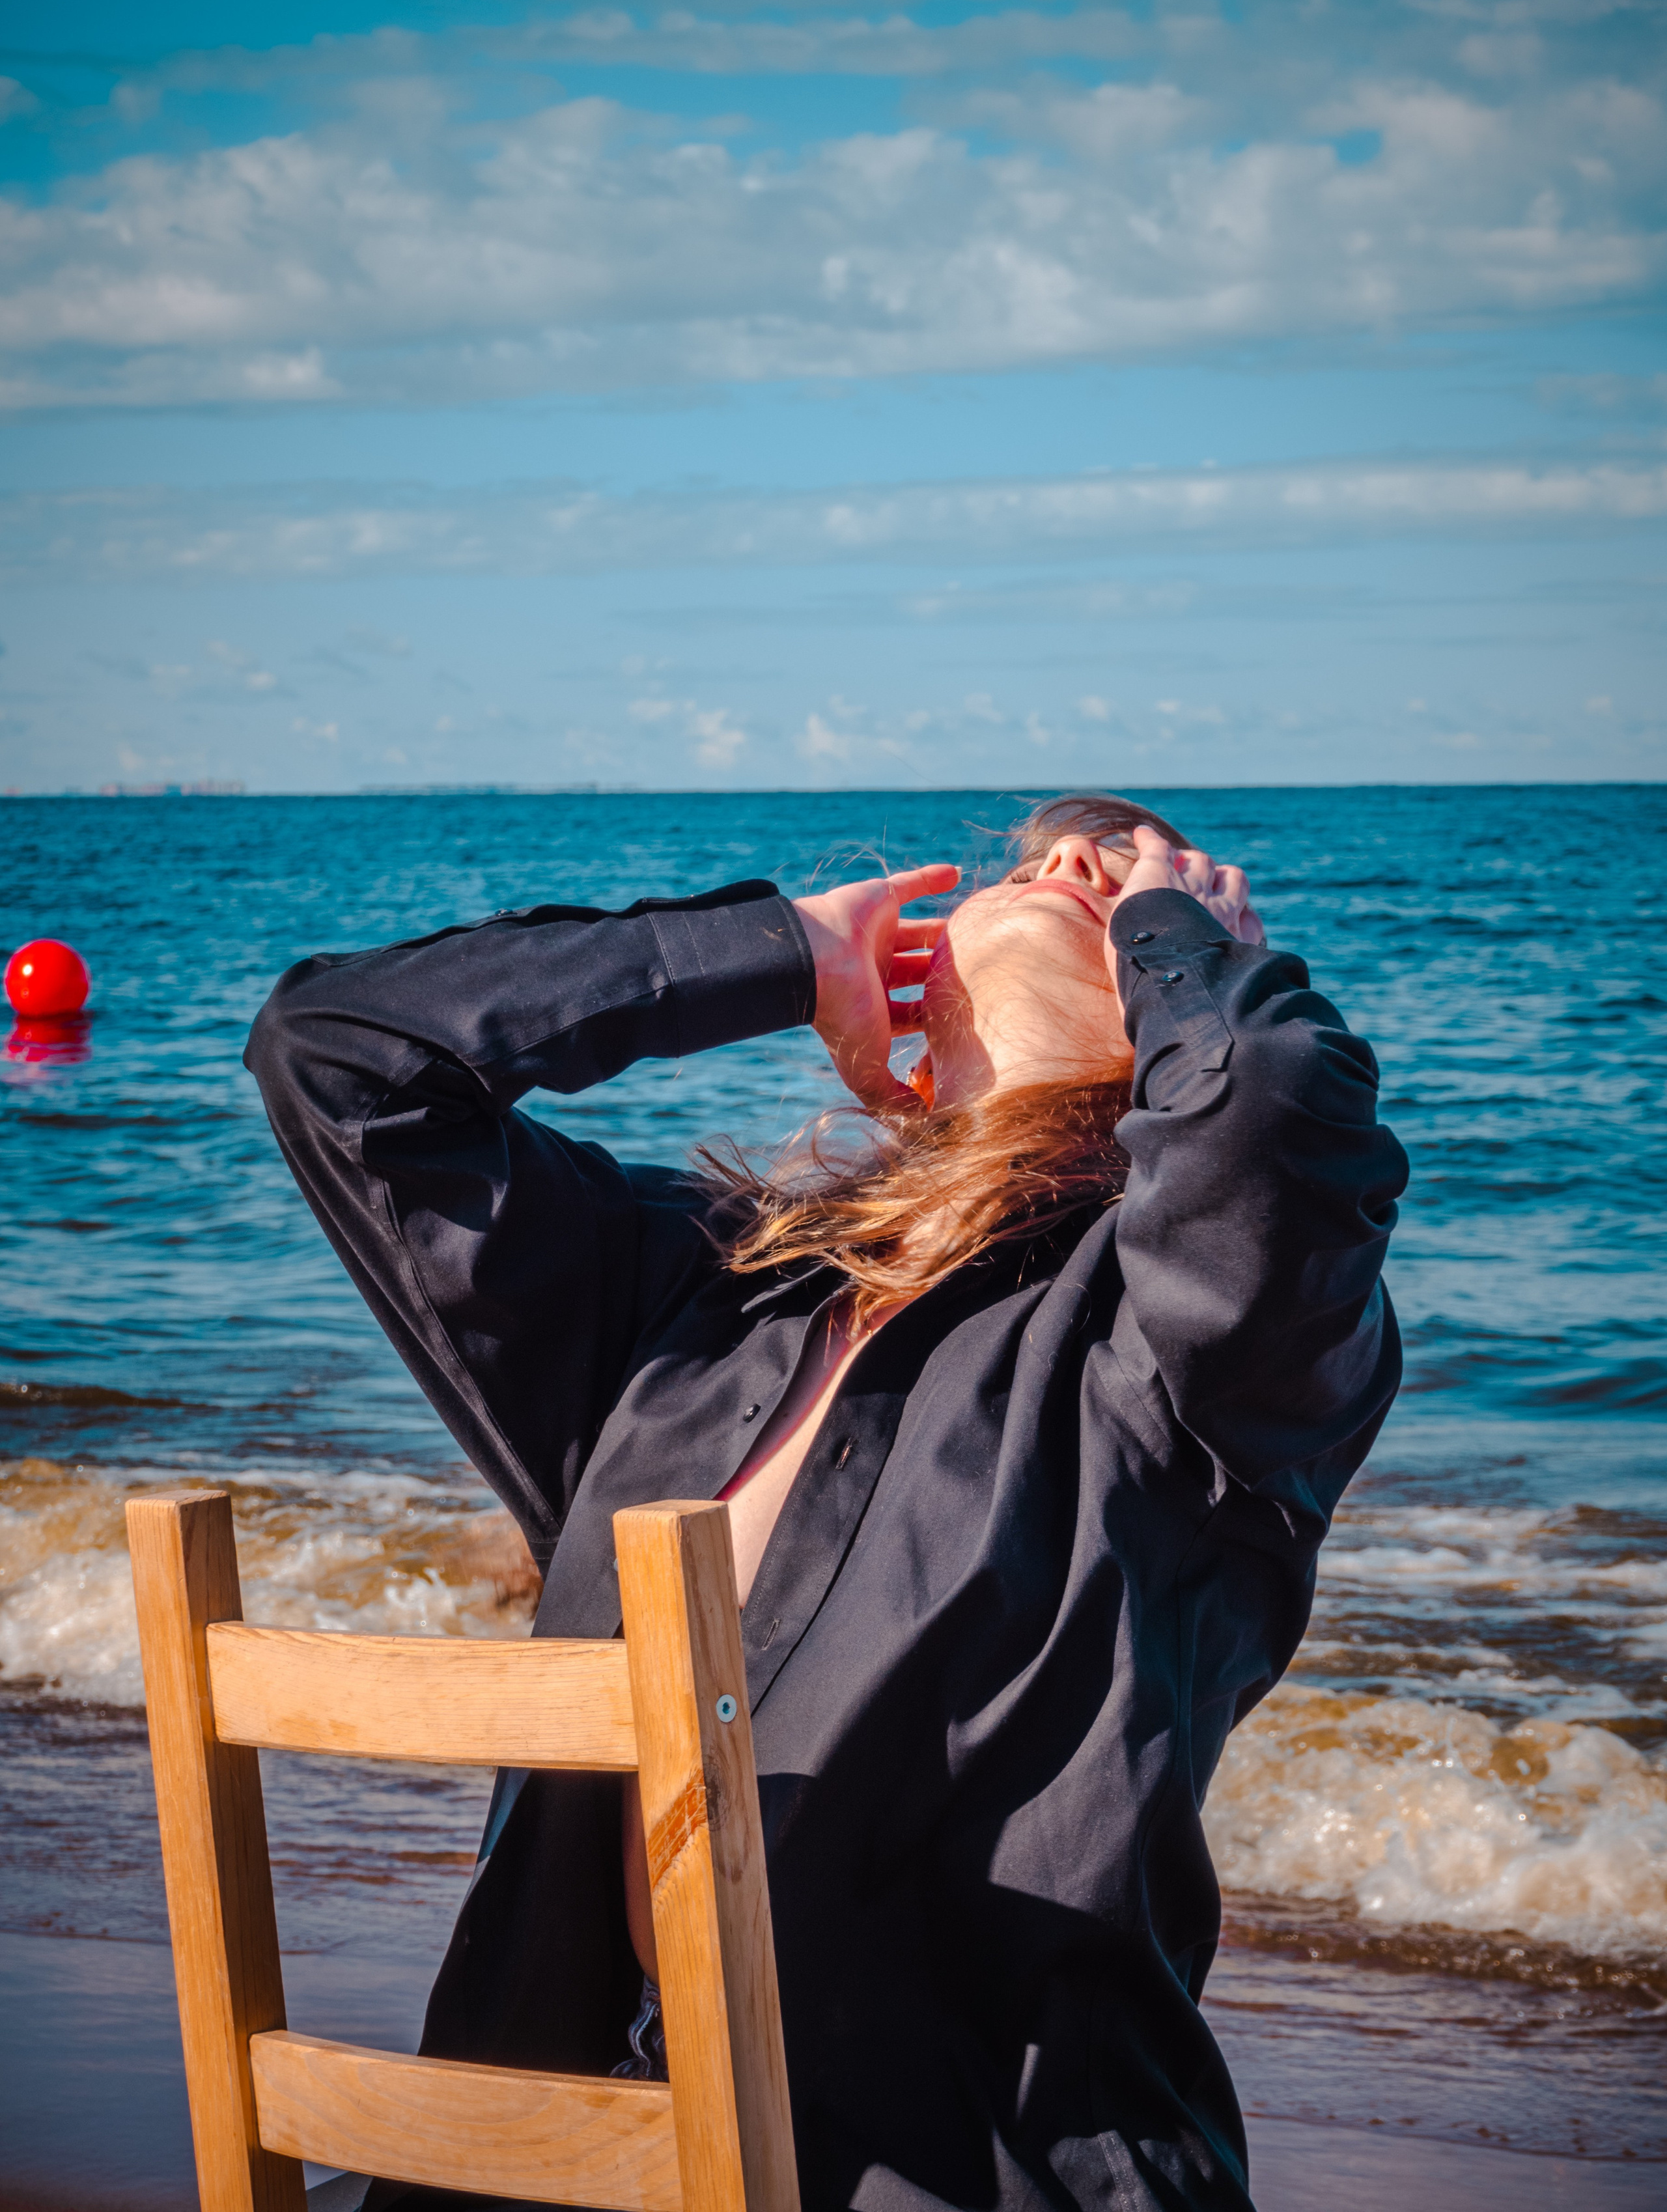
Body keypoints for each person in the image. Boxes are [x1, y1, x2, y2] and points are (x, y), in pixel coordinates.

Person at [246, 794, 1406, 2212]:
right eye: (1036, 864)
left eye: (1122, 870)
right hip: (549, 2174)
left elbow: (1273, 1136)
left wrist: (1183, 945)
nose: (1071, 865)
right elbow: (339, 1057)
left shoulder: (1196, 1351)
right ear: (907, 1057)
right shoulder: (694, 1292)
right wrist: (775, 953)